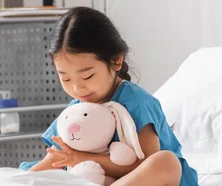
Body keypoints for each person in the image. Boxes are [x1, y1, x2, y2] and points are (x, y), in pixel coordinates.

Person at [18, 6, 199, 186]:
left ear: (116, 60)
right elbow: (54, 161)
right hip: (98, 180)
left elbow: (143, 164)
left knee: (165, 162)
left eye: (88, 76)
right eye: (65, 78)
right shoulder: (75, 111)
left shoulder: (138, 102)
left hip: (152, 181)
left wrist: (80, 158)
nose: (77, 88)